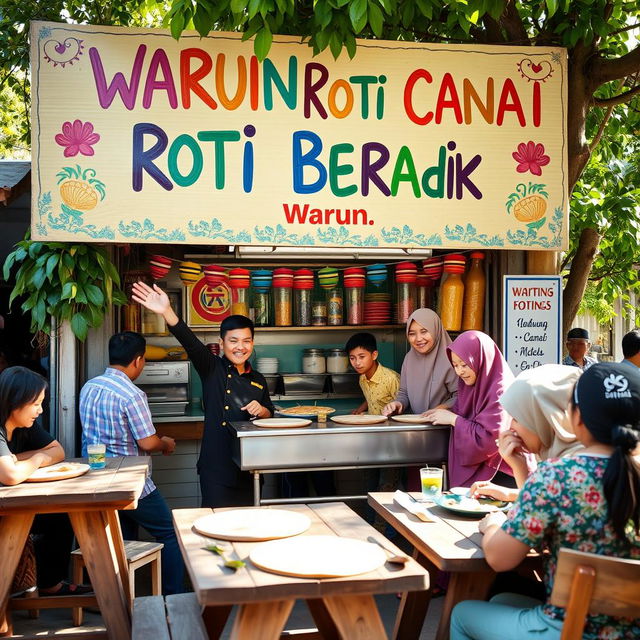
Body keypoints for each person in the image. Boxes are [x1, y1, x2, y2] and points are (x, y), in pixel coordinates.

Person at [450, 362, 640, 640]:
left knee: (463, 613)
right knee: (501, 600)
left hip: (569, 629)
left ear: (576, 417)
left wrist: (493, 524)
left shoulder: (556, 477)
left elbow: (500, 558)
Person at [131, 281, 275, 507]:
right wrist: (167, 311)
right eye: (233, 341)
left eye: (246, 341)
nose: (240, 347)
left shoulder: (258, 379)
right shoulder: (212, 368)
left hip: (250, 466)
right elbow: (190, 342)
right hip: (216, 467)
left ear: (252, 343)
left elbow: (270, 414)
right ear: (222, 343)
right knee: (214, 526)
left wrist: (264, 410)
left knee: (250, 525)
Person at [79, 331, 184, 595]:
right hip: (128, 482)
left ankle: (115, 595)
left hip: (96, 478)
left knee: (121, 538)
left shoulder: (89, 386)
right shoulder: (132, 394)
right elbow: (148, 442)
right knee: (170, 533)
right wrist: (166, 443)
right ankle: (174, 596)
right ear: (138, 360)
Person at [0, 366, 89, 595]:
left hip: (11, 507)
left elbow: (58, 450)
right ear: (16, 401)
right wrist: (38, 457)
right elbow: (10, 476)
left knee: (60, 514)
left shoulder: (24, 427)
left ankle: (49, 583)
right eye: (36, 403)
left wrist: (19, 460)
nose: (40, 410)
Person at [470, 364, 582, 502]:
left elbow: (533, 519)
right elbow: (543, 501)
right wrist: (511, 490)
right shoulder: (576, 457)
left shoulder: (565, 471)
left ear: (545, 418)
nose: (511, 427)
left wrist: (492, 524)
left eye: (517, 418)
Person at [422, 331, 516, 488]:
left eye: (465, 365)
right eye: (455, 365)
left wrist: (453, 419)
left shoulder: (500, 390)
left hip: (502, 475)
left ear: (481, 359)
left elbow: (490, 439)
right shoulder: (470, 385)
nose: (459, 371)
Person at [382, 308, 458, 417]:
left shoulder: (452, 359)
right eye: (412, 333)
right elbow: (404, 393)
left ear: (435, 330)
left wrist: (440, 409)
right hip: (418, 426)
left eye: (424, 331)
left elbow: (462, 396)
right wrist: (398, 404)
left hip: (445, 427)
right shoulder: (409, 359)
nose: (418, 339)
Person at [346, 332, 400, 415]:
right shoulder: (362, 378)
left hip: (389, 426)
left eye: (362, 357)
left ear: (374, 355)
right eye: (352, 358)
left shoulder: (391, 379)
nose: (357, 363)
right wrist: (359, 410)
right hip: (373, 425)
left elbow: (403, 405)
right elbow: (372, 398)